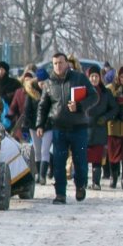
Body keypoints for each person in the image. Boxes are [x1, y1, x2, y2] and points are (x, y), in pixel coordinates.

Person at [36, 51, 96, 204]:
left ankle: (80, 185)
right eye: (55, 63)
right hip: (59, 128)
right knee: (58, 162)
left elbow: (94, 96)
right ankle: (60, 194)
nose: (58, 66)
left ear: (67, 63)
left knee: (80, 162)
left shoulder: (79, 78)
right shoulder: (49, 83)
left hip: (78, 127)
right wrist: (40, 125)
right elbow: (43, 106)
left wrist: (80, 106)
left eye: (60, 63)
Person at [83, 65, 118, 191]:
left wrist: (105, 117)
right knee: (83, 159)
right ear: (88, 78)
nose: (94, 79)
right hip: (84, 129)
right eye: (92, 76)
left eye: (96, 76)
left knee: (97, 159)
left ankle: (96, 182)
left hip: (99, 129)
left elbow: (114, 108)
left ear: (100, 77)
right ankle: (82, 182)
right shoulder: (83, 92)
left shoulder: (106, 92)